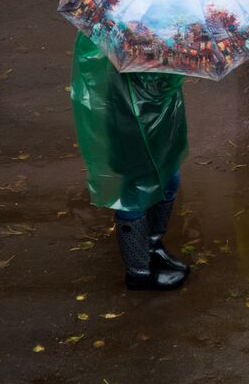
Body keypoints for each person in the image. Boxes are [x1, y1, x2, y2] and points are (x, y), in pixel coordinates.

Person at [70, 35, 190, 291]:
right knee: (135, 188)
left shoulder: (169, 17)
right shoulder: (118, 20)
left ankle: (153, 245)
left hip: (161, 111)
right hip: (127, 112)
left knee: (169, 177)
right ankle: (138, 270)